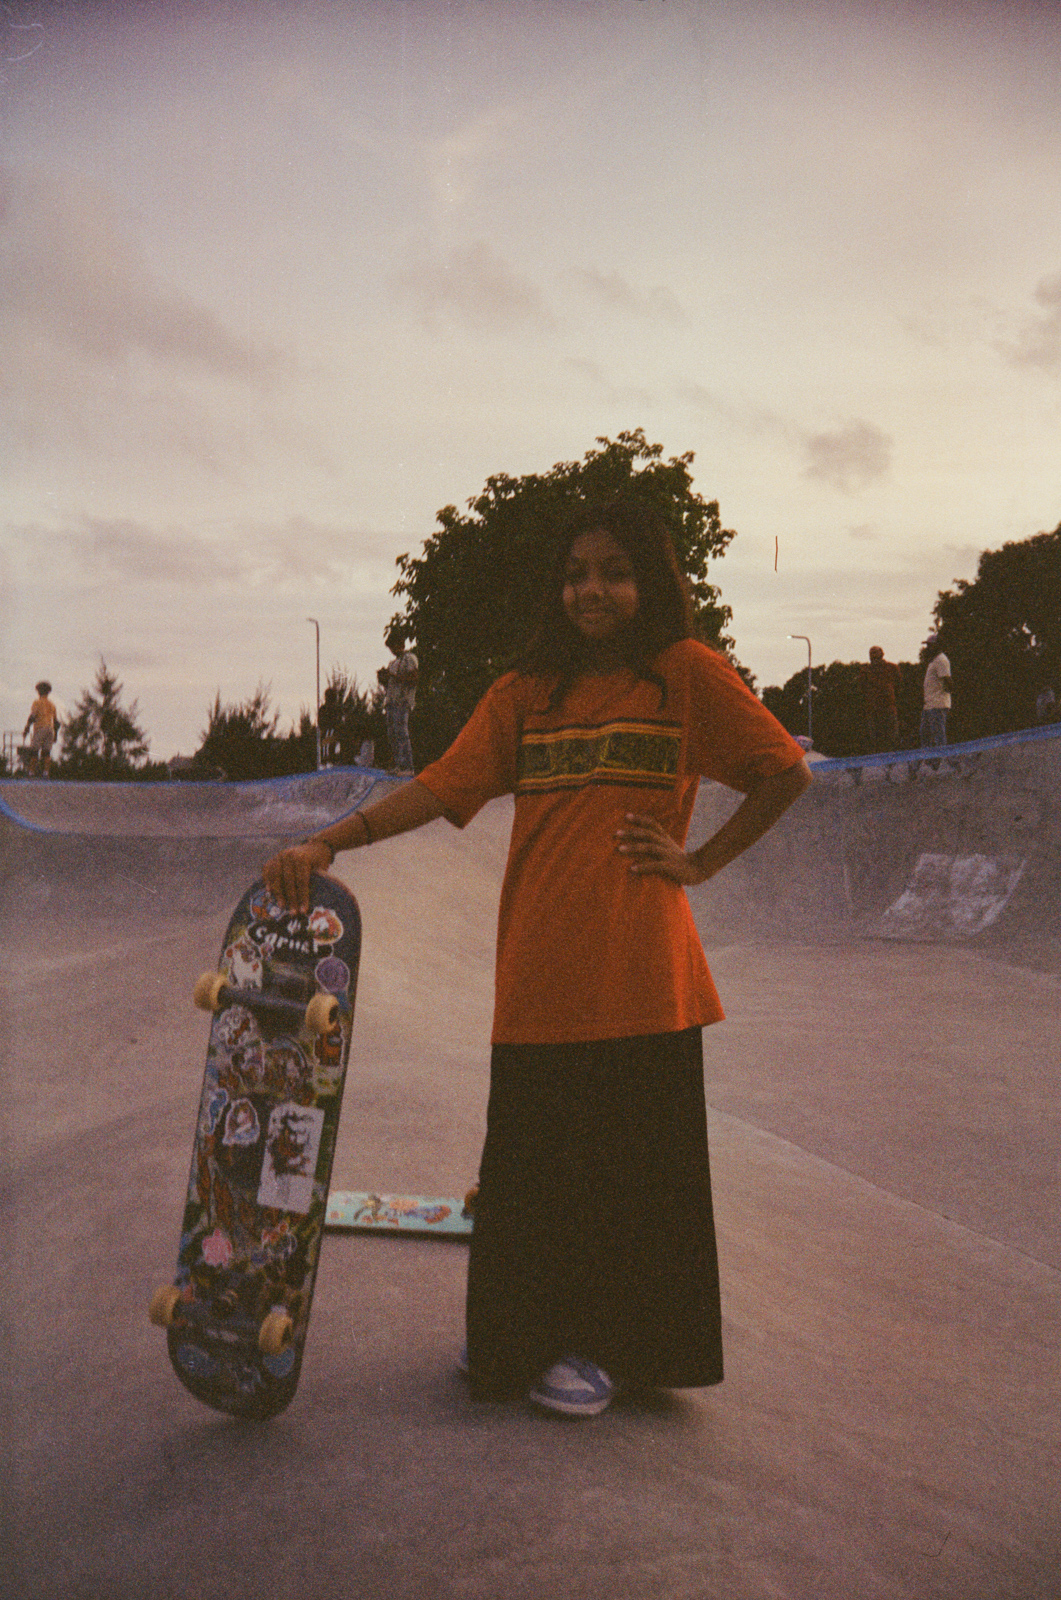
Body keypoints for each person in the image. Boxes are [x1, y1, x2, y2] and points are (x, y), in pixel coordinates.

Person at [265, 501, 811, 1419]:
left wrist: (700, 863)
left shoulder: (684, 675)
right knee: (529, 1171)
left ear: (648, 582)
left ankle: (615, 1351)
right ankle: (523, 1336)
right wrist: (329, 841)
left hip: (643, 980)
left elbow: (783, 769)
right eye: (575, 575)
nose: (592, 591)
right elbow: (442, 784)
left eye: (614, 571)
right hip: (537, 977)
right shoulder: (528, 692)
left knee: (628, 1177)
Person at [380, 627, 418, 773]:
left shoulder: (409, 659)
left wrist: (394, 676)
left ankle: (408, 765)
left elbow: (413, 678)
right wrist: (384, 679)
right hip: (391, 701)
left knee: (401, 731)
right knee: (392, 733)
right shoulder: (393, 663)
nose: (392, 650)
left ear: (400, 644)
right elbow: (390, 684)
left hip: (403, 701)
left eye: (393, 647)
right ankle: (398, 763)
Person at [860, 646, 900, 753]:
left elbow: (900, 685)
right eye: (872, 655)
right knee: (875, 739)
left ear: (882, 655)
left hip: (888, 707)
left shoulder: (891, 668)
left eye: (875, 654)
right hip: (874, 710)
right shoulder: (866, 670)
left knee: (891, 737)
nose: (873, 657)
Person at [920, 634, 952, 747]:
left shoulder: (941, 660)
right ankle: (930, 762)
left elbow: (948, 681)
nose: (928, 648)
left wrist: (941, 695)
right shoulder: (934, 660)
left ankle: (943, 759)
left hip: (937, 705)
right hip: (930, 705)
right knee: (925, 736)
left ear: (937, 646)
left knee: (938, 736)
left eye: (930, 645)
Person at [23, 680, 59, 776]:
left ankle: (31, 772)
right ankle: (46, 772)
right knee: (46, 752)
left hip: (40, 728)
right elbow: (56, 722)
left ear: (39, 691)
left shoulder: (37, 703)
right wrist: (56, 735)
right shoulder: (52, 704)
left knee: (34, 751)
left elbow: (33, 716)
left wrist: (27, 728)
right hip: (50, 729)